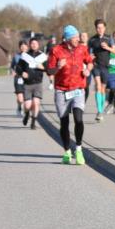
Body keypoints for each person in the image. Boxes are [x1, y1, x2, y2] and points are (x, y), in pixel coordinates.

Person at [46, 25, 94, 165]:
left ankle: (78, 148)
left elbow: (90, 62)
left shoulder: (82, 49)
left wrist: (88, 71)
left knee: (78, 119)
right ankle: (67, 151)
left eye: (78, 36)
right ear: (68, 38)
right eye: (75, 37)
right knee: (64, 122)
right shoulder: (56, 50)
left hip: (78, 89)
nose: (78, 39)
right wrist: (58, 67)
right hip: (62, 90)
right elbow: (49, 71)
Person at [87, 19, 115, 121]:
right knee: (98, 86)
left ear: (104, 28)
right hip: (96, 66)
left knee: (103, 89)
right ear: (95, 28)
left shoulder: (109, 38)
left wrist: (108, 48)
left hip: (105, 66)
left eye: (101, 28)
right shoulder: (92, 40)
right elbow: (88, 53)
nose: (99, 29)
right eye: (97, 28)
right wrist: (90, 56)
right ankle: (99, 111)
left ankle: (100, 111)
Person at [16, 37, 48, 130]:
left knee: (36, 103)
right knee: (27, 105)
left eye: (35, 43)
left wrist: (42, 68)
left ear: (38, 45)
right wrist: (22, 73)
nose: (34, 45)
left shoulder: (42, 56)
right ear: (30, 45)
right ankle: (26, 114)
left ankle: (33, 122)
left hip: (38, 83)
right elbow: (18, 67)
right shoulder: (25, 56)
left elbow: (48, 68)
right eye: (32, 43)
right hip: (27, 84)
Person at [10, 40, 28, 115]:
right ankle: (19, 106)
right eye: (21, 46)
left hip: (28, 78)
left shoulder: (30, 56)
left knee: (26, 96)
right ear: (19, 47)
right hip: (18, 78)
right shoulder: (16, 56)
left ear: (27, 46)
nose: (23, 47)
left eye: (24, 45)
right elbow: (12, 66)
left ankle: (25, 109)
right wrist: (12, 71)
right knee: (20, 99)